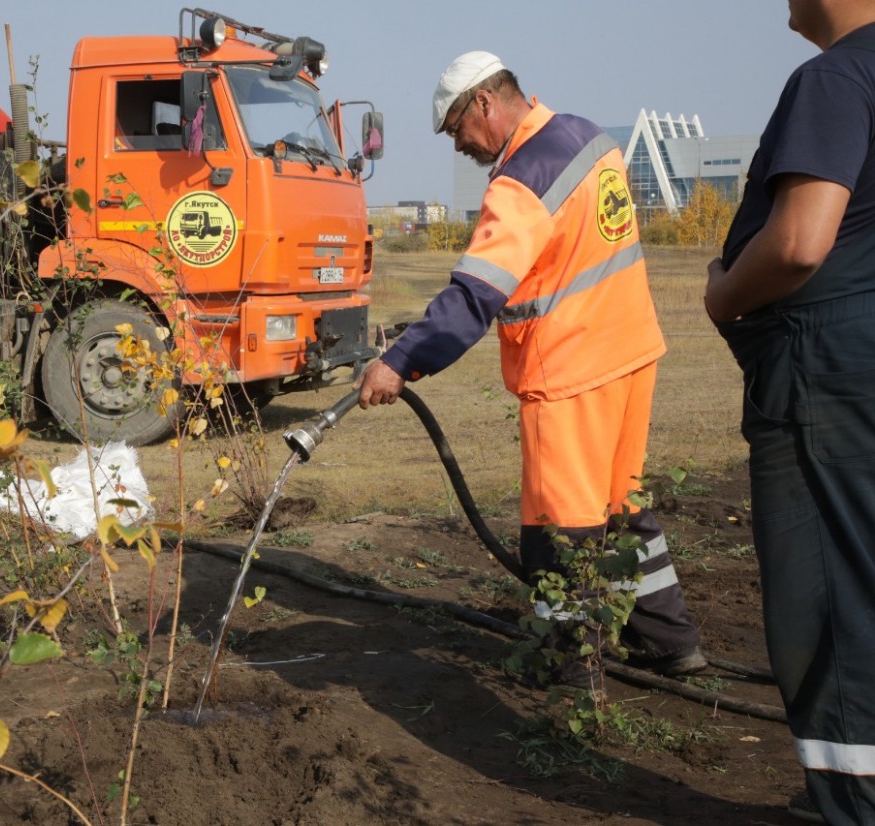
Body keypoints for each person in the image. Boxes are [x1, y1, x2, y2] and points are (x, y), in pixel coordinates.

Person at [357, 51, 704, 682]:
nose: (458, 143)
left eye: (457, 127)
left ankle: (569, 670)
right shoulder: (587, 137)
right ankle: (671, 639)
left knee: (558, 524)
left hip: (570, 371)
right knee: (619, 504)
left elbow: (474, 296)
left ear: (484, 103)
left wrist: (398, 363)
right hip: (631, 352)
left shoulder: (520, 181)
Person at [705, 2, 875, 822]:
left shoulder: (834, 77)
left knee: (827, 603)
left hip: (825, 378)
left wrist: (722, 298)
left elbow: (802, 240)